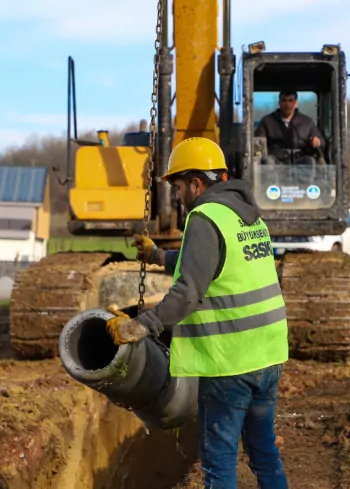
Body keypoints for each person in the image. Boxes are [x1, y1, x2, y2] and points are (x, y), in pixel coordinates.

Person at [105, 137, 290, 489]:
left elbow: (188, 291)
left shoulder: (204, 216)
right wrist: (159, 257)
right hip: (268, 355)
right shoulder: (247, 217)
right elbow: (212, 264)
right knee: (264, 451)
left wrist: (140, 327)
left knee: (218, 462)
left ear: (196, 183)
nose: (177, 195)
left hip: (230, 362)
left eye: (177, 186)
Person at [255, 90, 325, 165]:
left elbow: (321, 142)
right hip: (276, 161)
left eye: (290, 101)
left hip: (301, 161)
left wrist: (317, 141)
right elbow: (257, 143)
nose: (287, 104)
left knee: (310, 161)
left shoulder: (307, 122)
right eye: (284, 100)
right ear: (279, 103)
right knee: (268, 162)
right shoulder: (267, 122)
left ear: (296, 103)